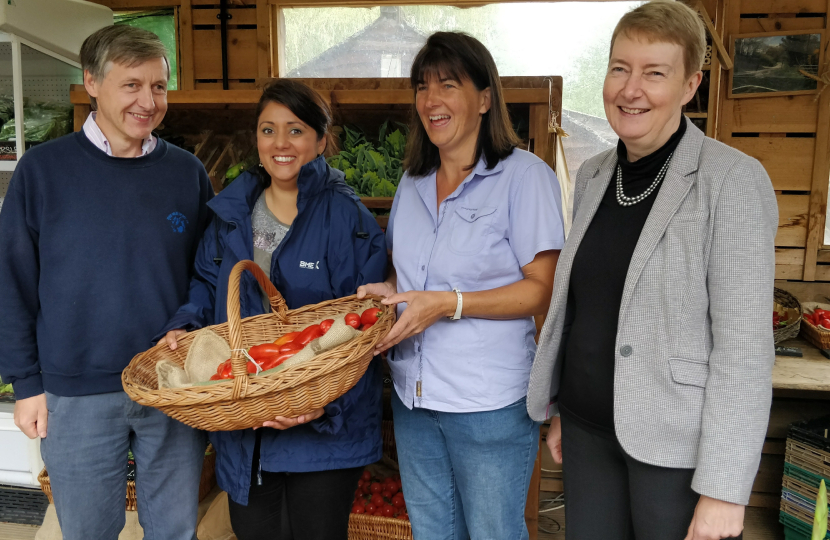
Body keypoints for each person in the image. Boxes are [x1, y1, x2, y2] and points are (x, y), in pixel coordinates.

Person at [526, 2, 778, 539]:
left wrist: (724, 490)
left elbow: (744, 352)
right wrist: (563, 407)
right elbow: (586, 304)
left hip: (677, 448)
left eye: (654, 73)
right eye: (620, 68)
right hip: (589, 432)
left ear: (691, 85)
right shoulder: (595, 174)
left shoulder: (732, 181)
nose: (630, 89)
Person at [0, 25, 212, 540]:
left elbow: (207, 274)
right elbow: (12, 282)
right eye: (132, 85)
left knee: (176, 530)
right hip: (75, 392)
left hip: (171, 386)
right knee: (89, 532)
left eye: (159, 86)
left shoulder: (186, 172)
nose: (149, 101)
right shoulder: (42, 170)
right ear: (92, 83)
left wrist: (191, 330)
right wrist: (26, 385)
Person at [358, 32, 565, 540]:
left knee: (493, 532)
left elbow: (541, 289)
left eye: (448, 85)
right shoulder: (412, 181)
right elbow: (407, 275)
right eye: (423, 87)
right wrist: (389, 291)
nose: (432, 101)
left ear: (485, 97)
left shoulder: (524, 177)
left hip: (488, 403)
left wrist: (450, 304)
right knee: (432, 533)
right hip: (414, 398)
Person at [160, 78, 387, 540]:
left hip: (324, 433)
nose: (280, 144)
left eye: (296, 130)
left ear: (322, 140)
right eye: (268, 130)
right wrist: (186, 326)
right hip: (246, 427)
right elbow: (206, 284)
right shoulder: (229, 215)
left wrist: (318, 405)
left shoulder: (349, 221)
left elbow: (361, 326)